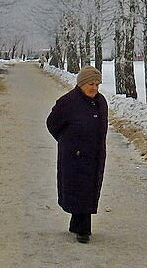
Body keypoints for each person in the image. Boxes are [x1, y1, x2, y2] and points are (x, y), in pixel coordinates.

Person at [45, 65, 108, 243]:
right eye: (90, 84)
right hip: (74, 155)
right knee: (79, 188)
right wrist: (67, 142)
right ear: (80, 84)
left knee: (89, 189)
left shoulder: (101, 102)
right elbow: (52, 123)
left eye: (97, 84)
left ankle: (76, 224)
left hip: (95, 154)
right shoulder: (68, 102)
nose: (94, 88)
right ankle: (83, 230)